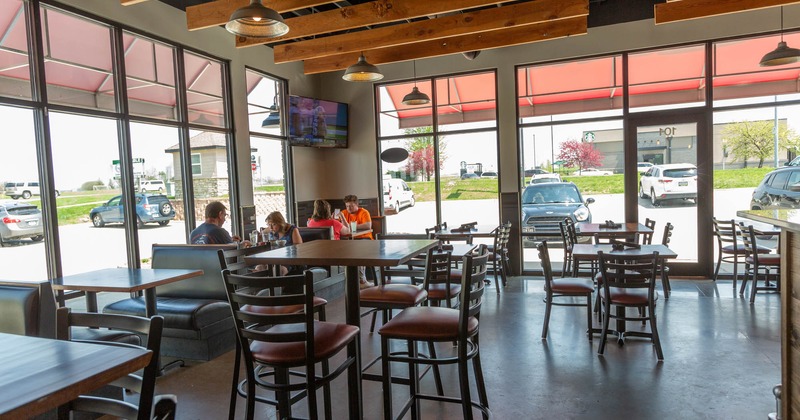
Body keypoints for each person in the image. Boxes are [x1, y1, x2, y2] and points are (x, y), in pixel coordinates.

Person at [338, 195, 374, 287]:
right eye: (347, 206)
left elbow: (368, 226)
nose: (349, 208)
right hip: (349, 239)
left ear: (357, 204)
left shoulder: (364, 212)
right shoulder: (343, 213)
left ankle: (362, 280)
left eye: (351, 206)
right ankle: (347, 280)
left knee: (359, 250)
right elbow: (338, 225)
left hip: (365, 238)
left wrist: (352, 226)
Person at [264, 211, 303, 276]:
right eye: (268, 224)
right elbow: (262, 236)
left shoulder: (292, 230)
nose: (270, 227)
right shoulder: (272, 231)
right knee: (259, 267)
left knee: (279, 269)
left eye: (274, 224)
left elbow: (299, 248)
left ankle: (277, 285)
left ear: (280, 223)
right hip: (274, 259)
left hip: (290, 259)